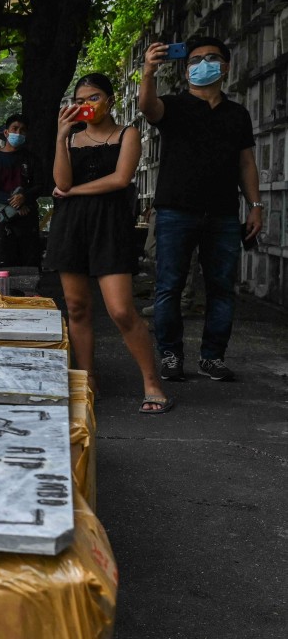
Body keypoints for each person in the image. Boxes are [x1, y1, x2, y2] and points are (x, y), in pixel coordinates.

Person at [46, 73, 172, 414]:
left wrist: (73, 192)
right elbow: (60, 180)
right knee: (76, 308)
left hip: (110, 225)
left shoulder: (127, 134)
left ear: (111, 99)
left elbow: (120, 179)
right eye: (81, 99)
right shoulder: (71, 139)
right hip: (71, 226)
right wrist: (60, 137)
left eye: (94, 97)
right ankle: (87, 381)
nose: (87, 105)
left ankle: (152, 382)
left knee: (120, 309)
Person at [139, 36, 262, 382]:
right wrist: (148, 70)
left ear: (225, 67)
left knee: (222, 288)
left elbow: (246, 163)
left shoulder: (237, 114)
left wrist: (255, 205)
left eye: (211, 58)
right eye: (195, 59)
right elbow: (148, 108)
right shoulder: (174, 106)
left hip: (223, 213)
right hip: (176, 211)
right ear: (186, 68)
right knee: (169, 287)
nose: (202, 64)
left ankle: (212, 357)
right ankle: (171, 354)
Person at [0, 113, 44, 270]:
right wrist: (16, 203)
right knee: (1, 268)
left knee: (29, 267)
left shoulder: (32, 159)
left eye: (23, 130)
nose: (18, 133)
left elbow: (39, 185)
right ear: (6, 132)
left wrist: (24, 197)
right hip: (1, 220)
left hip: (28, 220)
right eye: (15, 128)